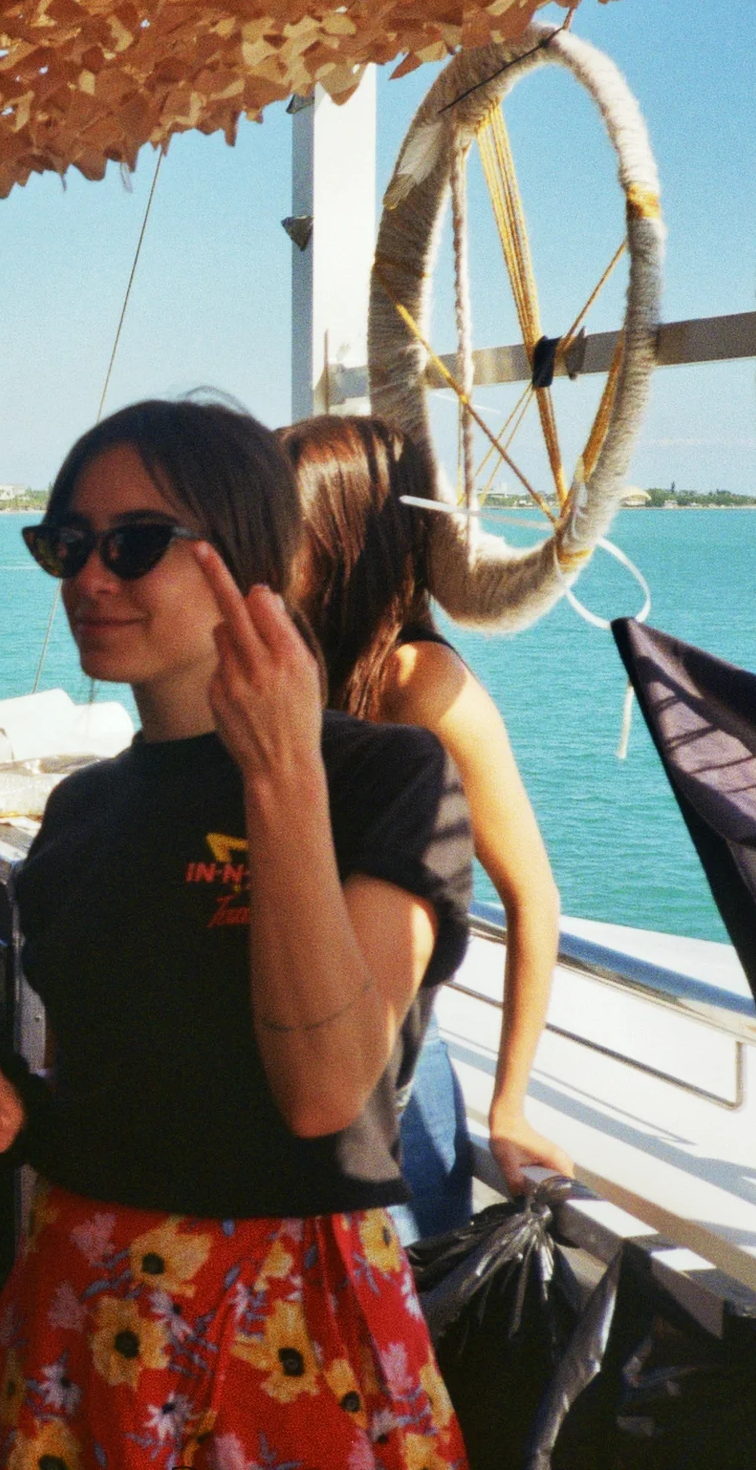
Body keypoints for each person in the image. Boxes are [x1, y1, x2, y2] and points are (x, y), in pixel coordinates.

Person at [0, 398, 476, 1470]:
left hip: (286, 1319)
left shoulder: (377, 777)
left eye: (133, 544)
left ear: (248, 558)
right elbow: (113, 1086)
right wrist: (21, 1104)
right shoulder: (82, 813)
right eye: (66, 544)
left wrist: (281, 772)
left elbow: (325, 1092)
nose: (89, 578)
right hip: (86, 1298)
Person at [283, 413, 575, 1231]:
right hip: (303, 1043)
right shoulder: (296, 668)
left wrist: (510, 1106)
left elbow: (533, 896)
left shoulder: (422, 683)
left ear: (343, 538)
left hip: (399, 1082)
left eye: (278, 526)